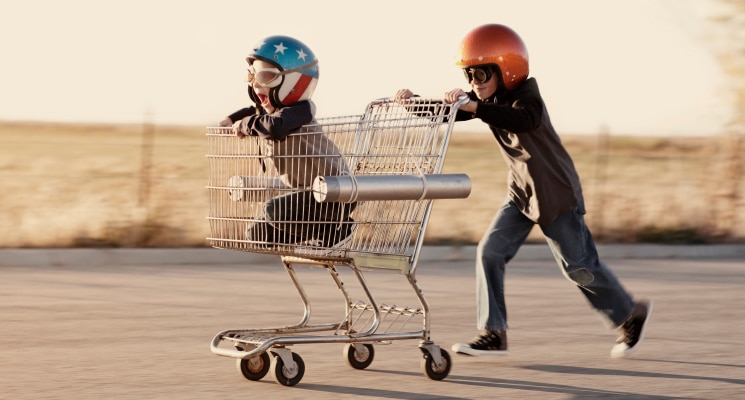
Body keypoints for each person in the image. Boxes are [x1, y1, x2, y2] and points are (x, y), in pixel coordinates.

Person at [394, 24, 651, 358]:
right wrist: (413, 102)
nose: (474, 82)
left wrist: (475, 107)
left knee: (579, 268)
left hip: (555, 195)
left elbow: (522, 120)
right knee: (489, 252)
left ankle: (629, 315)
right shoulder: (488, 98)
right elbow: (447, 113)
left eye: (482, 73)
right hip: (521, 194)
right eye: (469, 74)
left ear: (506, 69)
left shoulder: (528, 98)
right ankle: (493, 333)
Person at [219, 35, 356, 255]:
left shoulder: (301, 111)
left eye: (265, 76)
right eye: (252, 76)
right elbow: (258, 112)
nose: (255, 85)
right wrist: (232, 119)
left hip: (332, 192)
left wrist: (244, 125)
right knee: (258, 234)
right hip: (307, 195)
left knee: (273, 210)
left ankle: (337, 231)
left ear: (295, 81)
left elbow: (275, 127)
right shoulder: (277, 112)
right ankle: (316, 235)